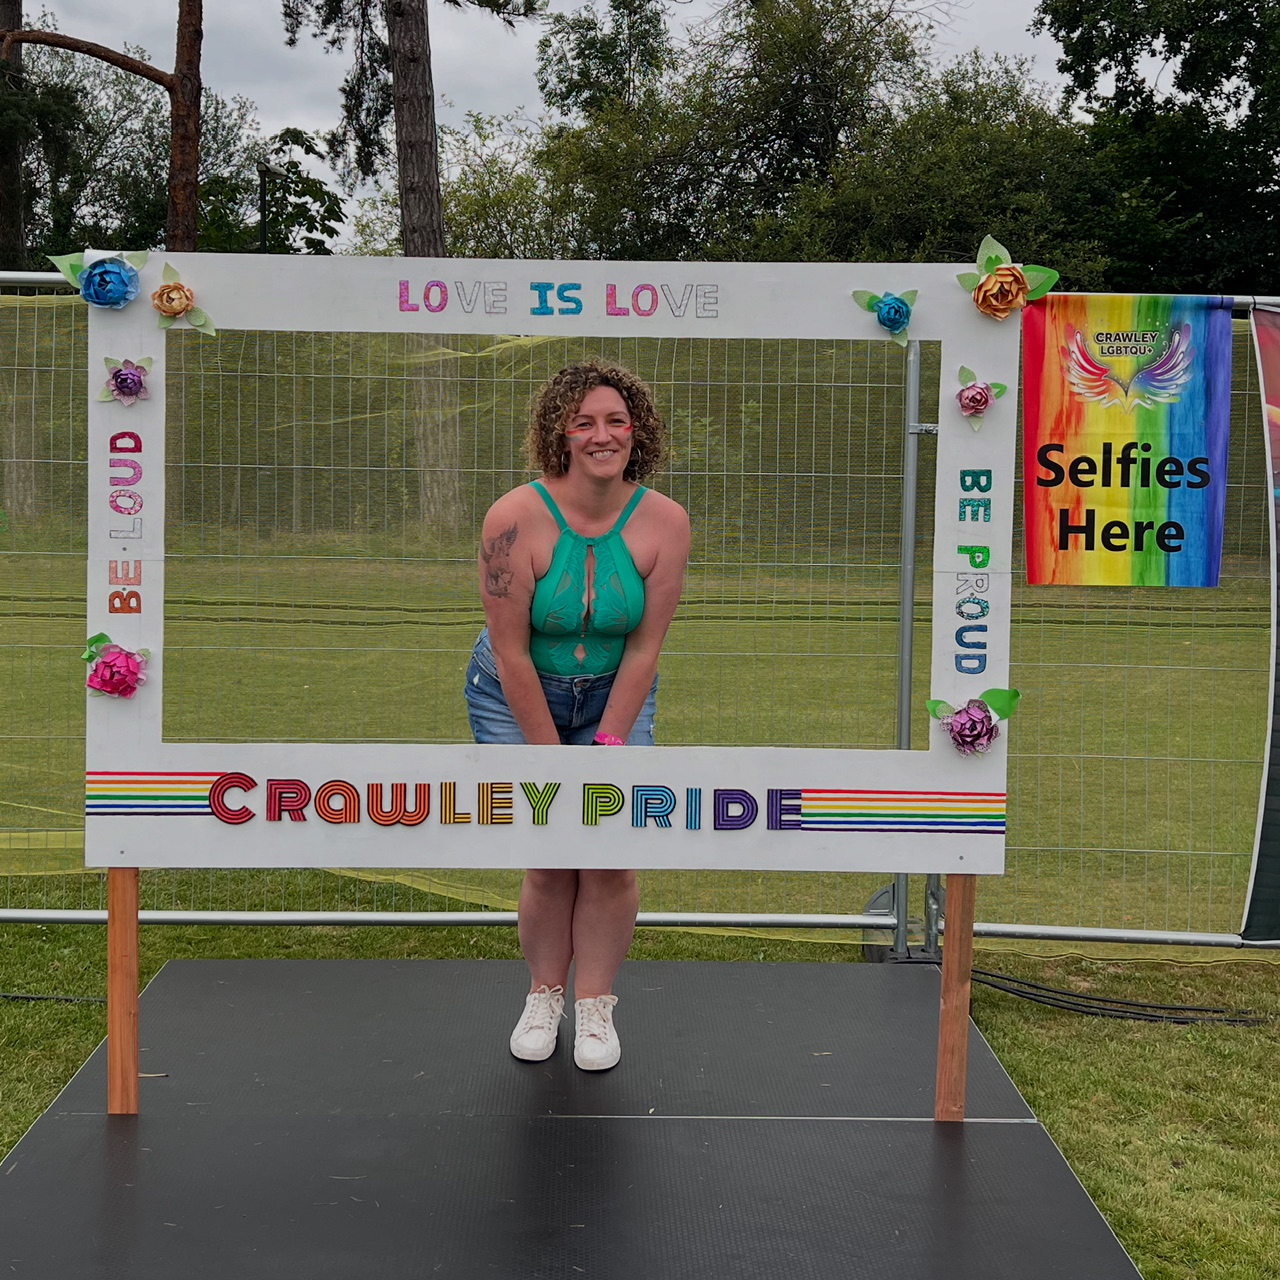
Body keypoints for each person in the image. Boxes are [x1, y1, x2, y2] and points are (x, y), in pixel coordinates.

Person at [464, 358, 691, 1071]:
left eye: (616, 421)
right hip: (514, 690)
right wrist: (554, 761)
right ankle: (544, 994)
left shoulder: (666, 522)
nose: (602, 435)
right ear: (560, 433)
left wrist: (610, 740)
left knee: (610, 856)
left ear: (637, 430)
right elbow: (511, 653)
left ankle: (596, 1008)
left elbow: (647, 648)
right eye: (585, 421)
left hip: (613, 690)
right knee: (554, 850)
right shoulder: (512, 518)